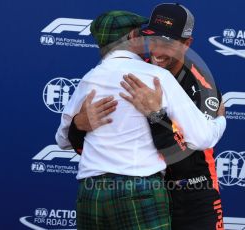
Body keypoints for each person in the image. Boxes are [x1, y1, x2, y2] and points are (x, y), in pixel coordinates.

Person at [55, 10, 226, 230]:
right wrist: (79, 125)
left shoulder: (203, 87)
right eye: (152, 39)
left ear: (186, 43)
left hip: (191, 191)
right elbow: (72, 140)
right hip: (148, 190)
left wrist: (157, 116)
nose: (157, 50)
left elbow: (190, 150)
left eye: (168, 43)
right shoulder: (139, 70)